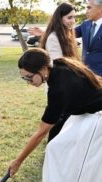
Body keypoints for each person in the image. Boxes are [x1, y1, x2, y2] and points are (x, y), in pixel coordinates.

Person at [9, 48, 102, 182]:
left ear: (43, 70)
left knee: (79, 158)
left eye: (29, 77)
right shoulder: (56, 66)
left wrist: (18, 161)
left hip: (97, 116)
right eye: (24, 77)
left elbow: (40, 133)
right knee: (56, 147)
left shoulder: (59, 89)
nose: (28, 81)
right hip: (84, 113)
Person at [40, 2, 80, 142]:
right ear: (60, 18)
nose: (73, 21)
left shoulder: (66, 35)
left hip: (68, 86)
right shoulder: (54, 38)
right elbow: (60, 68)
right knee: (58, 123)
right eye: (69, 18)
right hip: (60, 88)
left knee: (64, 123)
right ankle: (52, 149)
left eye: (74, 17)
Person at [29, 0, 102, 76]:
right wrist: (45, 32)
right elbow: (66, 33)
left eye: (89, 8)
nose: (86, 11)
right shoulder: (86, 24)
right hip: (86, 74)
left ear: (100, 8)